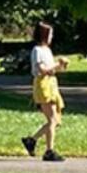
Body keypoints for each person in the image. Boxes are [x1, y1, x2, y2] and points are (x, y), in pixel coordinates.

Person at [22, 22, 69, 162]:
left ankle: (32, 140)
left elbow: (52, 69)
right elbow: (42, 69)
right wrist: (57, 64)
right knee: (52, 119)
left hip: (52, 83)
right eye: (50, 34)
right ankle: (49, 151)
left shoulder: (47, 50)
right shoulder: (37, 50)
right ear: (44, 35)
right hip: (42, 84)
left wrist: (61, 66)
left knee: (56, 120)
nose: (52, 37)